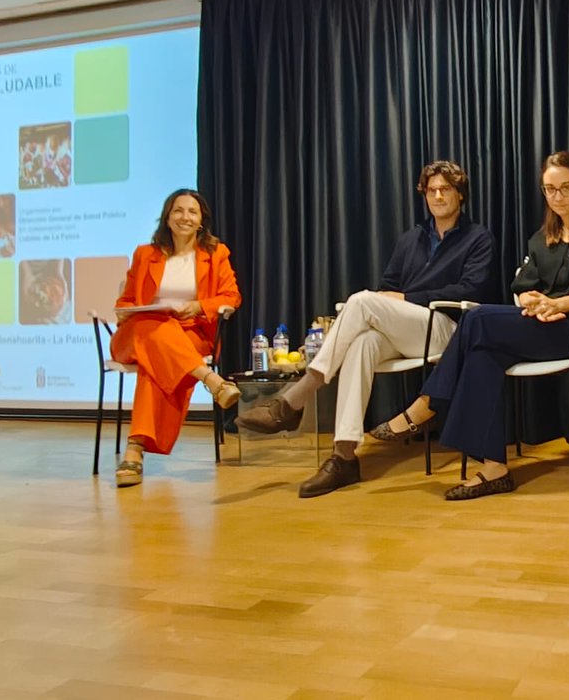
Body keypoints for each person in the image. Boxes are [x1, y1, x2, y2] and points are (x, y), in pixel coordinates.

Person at [234, 160, 496, 498]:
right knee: (361, 344)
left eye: (445, 189)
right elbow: (388, 285)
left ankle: (296, 397)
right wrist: (395, 299)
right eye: (431, 190)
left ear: (460, 194)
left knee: (361, 301)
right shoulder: (412, 239)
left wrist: (407, 297)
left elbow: (471, 290)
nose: (438, 196)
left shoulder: (477, 238)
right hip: (404, 329)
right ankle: (344, 456)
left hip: (449, 330)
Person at [375, 150, 569, 501]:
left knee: (476, 317)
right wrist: (533, 303)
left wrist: (558, 304)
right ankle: (494, 468)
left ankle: (429, 402)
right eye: (550, 190)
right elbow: (521, 287)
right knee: (482, 355)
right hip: (541, 325)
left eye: (566, 188)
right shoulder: (541, 238)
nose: (558, 197)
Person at [110, 189, 242, 488]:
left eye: (192, 212)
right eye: (178, 211)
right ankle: (211, 380)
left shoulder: (215, 253)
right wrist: (126, 311)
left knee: (152, 365)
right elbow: (128, 300)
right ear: (167, 217)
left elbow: (232, 297)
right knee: (151, 326)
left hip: (189, 336)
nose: (185, 217)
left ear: (201, 220)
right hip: (137, 334)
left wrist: (198, 306)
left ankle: (135, 449)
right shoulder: (145, 254)